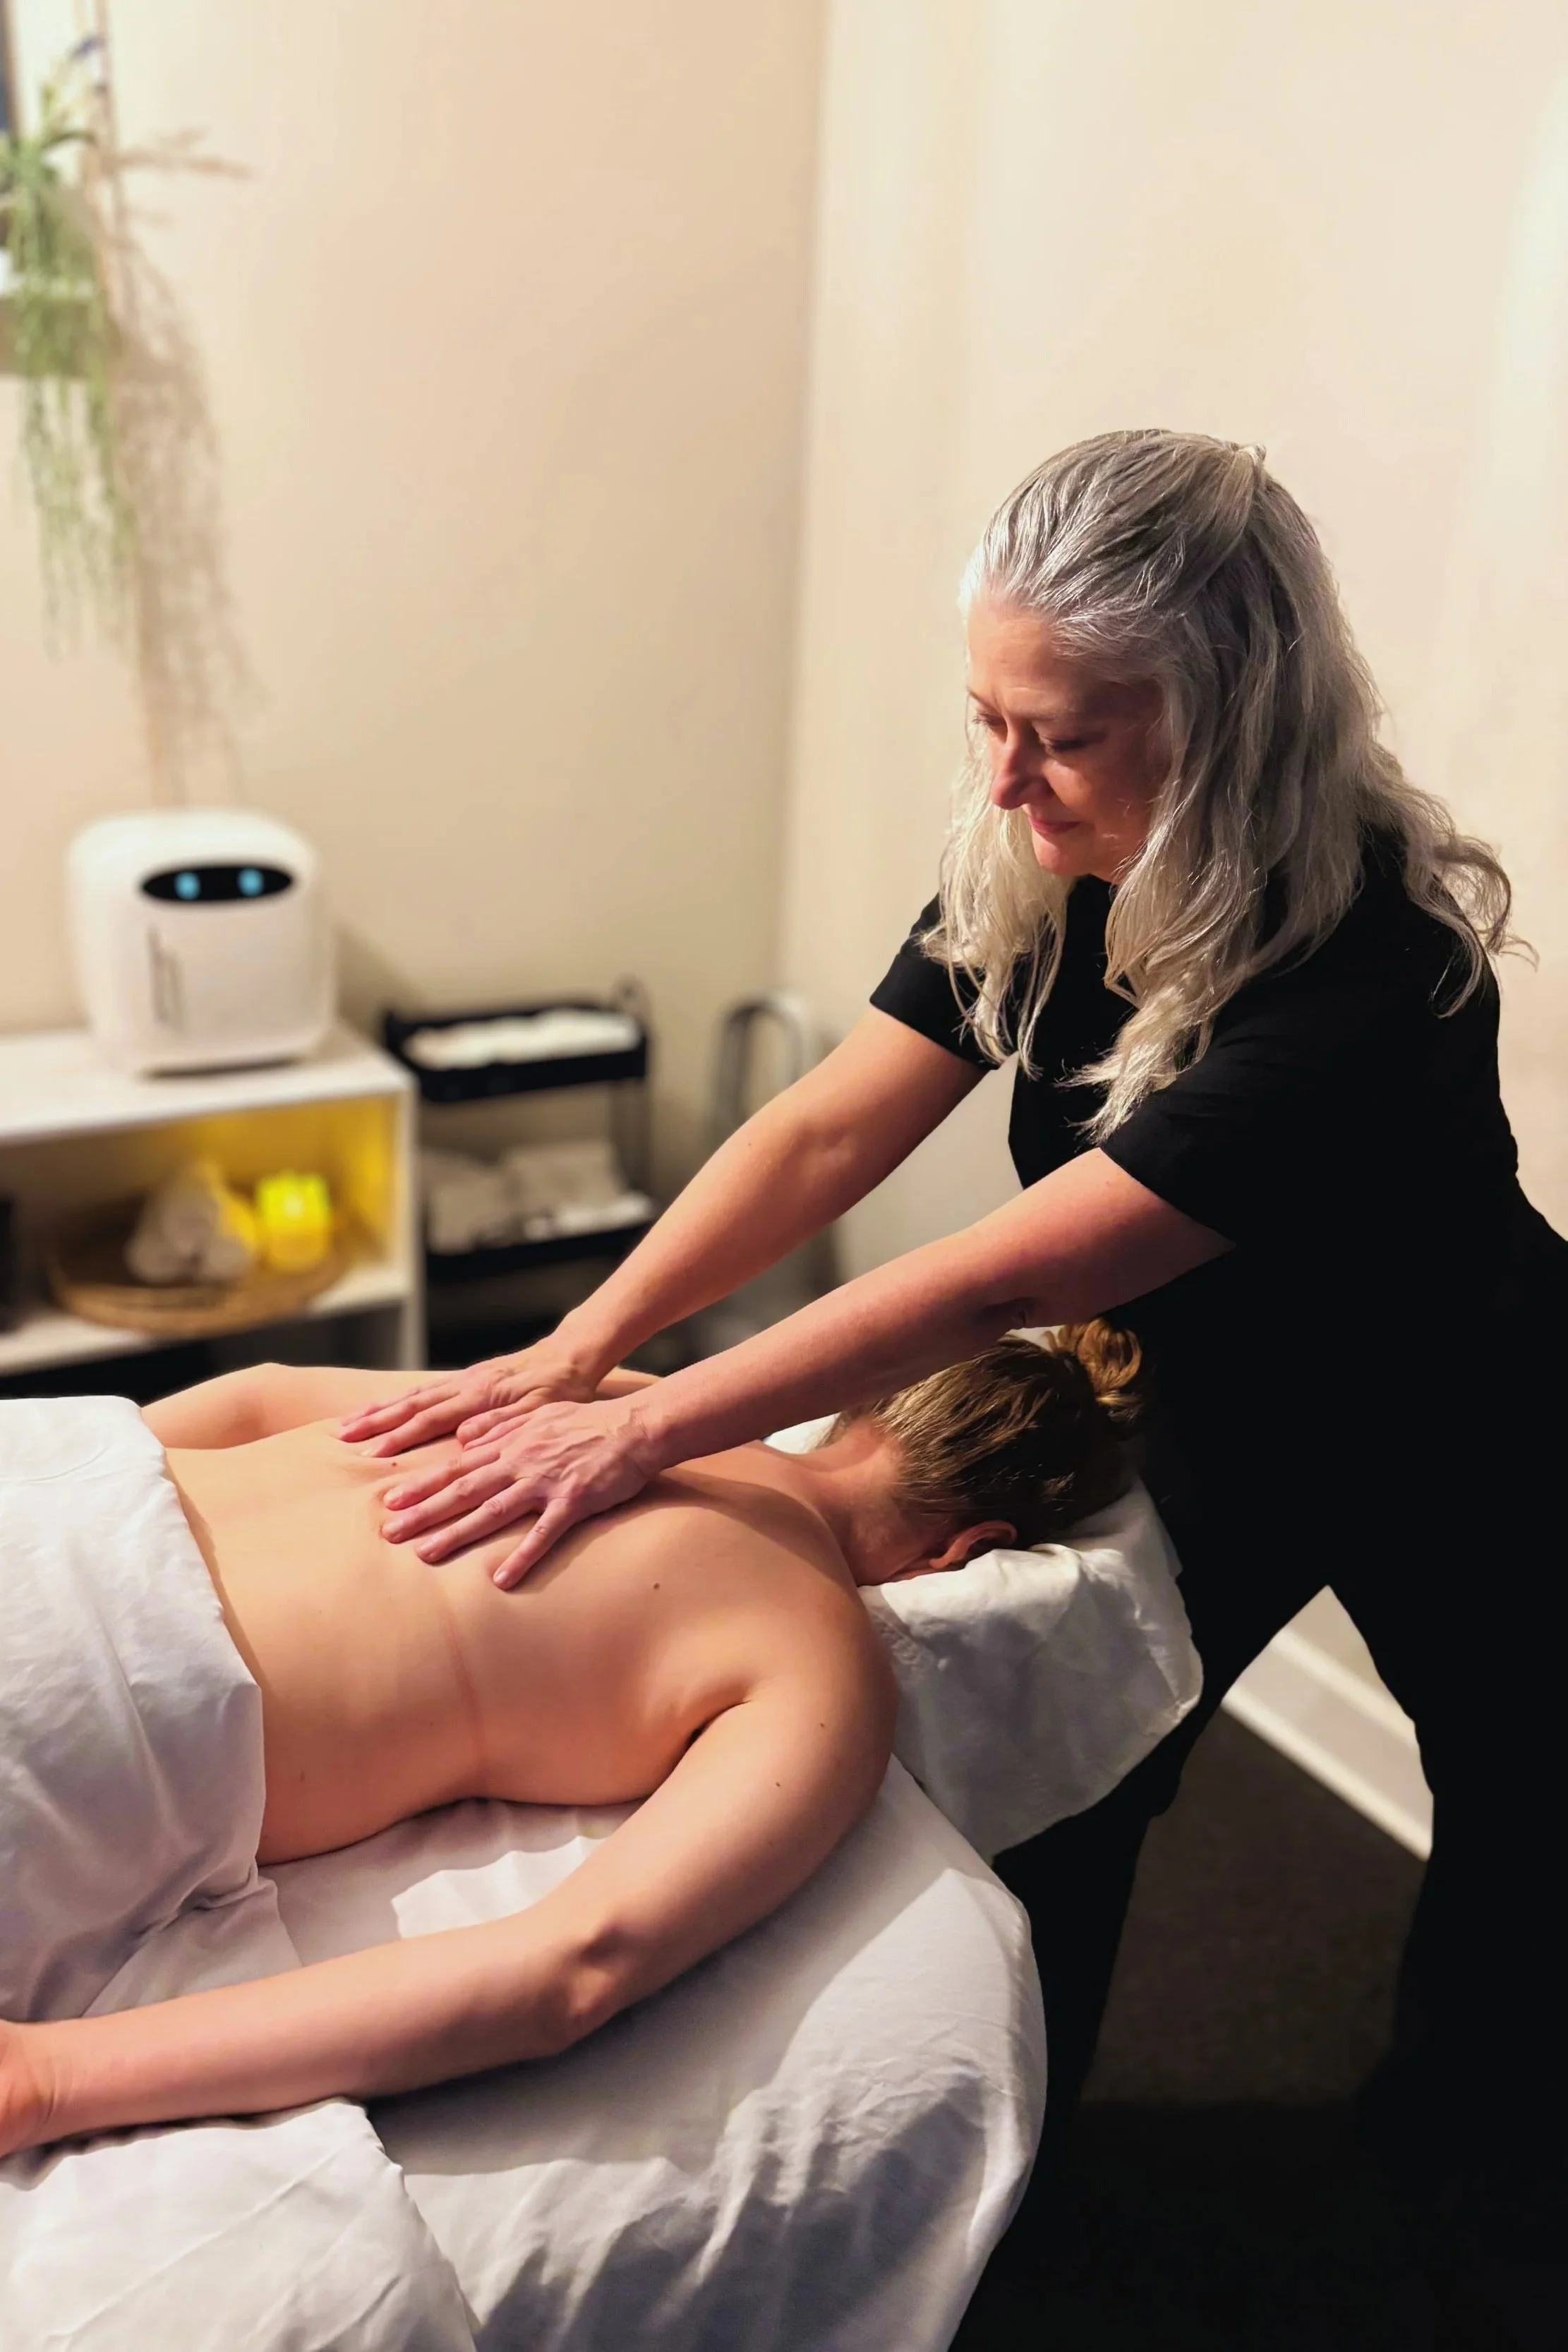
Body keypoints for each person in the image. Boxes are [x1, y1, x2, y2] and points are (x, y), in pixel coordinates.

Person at [346, 430, 1568, 2337]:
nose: (1002, 775)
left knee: (1521, 1789)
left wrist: (658, 1417)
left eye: (1059, 733)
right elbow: (835, 1125)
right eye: (987, 716)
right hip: (1211, 1397)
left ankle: (1464, 2178)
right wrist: (580, 1341)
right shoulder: (1045, 856)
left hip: (1462, 1409)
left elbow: (1001, 1265)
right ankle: (1002, 2183)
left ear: (1229, 723)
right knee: (1077, 1767)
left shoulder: (1369, 979)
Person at [0, 1323, 1134, 2159]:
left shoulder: (634, 1398)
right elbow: (569, 1969)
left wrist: (70, 1501)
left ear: (857, 1402)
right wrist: (48, 2080)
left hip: (56, 1486)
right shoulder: (819, 1667)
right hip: (100, 1706)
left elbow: (262, 1400)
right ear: (968, 1550)